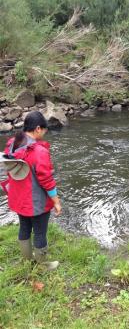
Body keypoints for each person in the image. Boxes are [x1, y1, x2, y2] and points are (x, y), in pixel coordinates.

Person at [1, 111, 62, 270]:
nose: (44, 133)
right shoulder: (39, 151)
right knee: (40, 232)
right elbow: (46, 180)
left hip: (19, 198)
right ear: (37, 129)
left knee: (24, 227)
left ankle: (27, 260)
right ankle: (42, 265)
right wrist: (56, 201)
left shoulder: (13, 143)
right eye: (44, 130)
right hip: (36, 202)